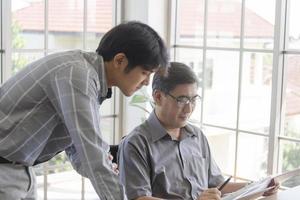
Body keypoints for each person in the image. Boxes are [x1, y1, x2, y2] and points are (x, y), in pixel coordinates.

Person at [0, 21, 168, 200]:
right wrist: (101, 163)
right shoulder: (77, 75)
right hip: (5, 170)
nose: (147, 82)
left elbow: (79, 152)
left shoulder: (89, 78)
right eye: (145, 73)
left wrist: (109, 165)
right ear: (120, 60)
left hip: (20, 169)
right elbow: (93, 156)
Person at [118, 62, 279, 200]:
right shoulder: (136, 143)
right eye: (182, 100)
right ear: (158, 97)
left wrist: (258, 187)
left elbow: (217, 186)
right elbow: (139, 198)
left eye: (193, 99)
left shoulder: (197, 136)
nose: (189, 109)